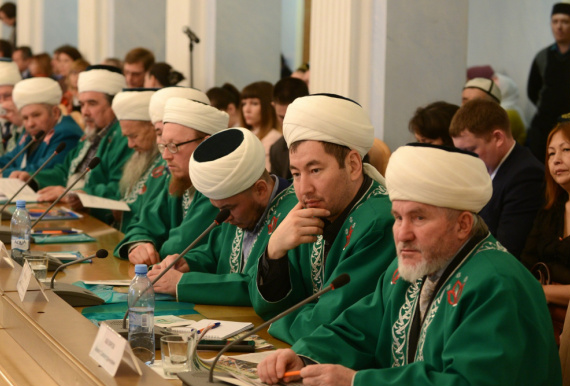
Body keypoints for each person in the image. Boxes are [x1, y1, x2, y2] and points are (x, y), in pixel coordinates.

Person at [257, 143, 562, 386]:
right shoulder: (409, 269)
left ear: (463, 225)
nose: (402, 234)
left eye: (418, 218)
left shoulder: (498, 284)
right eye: (398, 217)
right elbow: (358, 330)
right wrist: (303, 358)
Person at [253, 93, 395, 336]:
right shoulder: (308, 214)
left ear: (353, 165)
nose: (304, 189)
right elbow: (266, 306)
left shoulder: (380, 222)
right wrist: (274, 251)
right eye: (296, 174)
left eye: (315, 170)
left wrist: (275, 324)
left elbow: (332, 322)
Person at [148, 127, 296, 306]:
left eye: (228, 209)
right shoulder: (236, 210)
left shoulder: (293, 215)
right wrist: (188, 263)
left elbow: (261, 286)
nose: (225, 219)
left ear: (260, 190)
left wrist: (183, 283)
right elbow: (213, 254)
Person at [115, 97, 228, 264]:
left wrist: (153, 250)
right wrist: (139, 245)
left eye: (174, 146)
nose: (166, 156)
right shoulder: (179, 181)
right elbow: (144, 224)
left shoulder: (219, 186)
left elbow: (180, 247)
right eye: (164, 146)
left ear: (206, 144)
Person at [11, 66, 130, 223]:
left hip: (98, 219)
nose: (85, 112)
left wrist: (76, 194)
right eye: (82, 104)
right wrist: (33, 179)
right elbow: (65, 172)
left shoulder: (124, 138)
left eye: (92, 104)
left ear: (114, 105)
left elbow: (119, 188)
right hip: (74, 212)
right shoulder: (90, 135)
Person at [450, 99, 545, 258]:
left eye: (471, 150)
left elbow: (507, 249)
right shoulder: (485, 167)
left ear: (498, 138)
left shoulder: (526, 176)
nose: (465, 159)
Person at [522, 121, 570, 345]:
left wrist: (544, 292)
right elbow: (525, 266)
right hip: (544, 320)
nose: (556, 160)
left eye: (566, 149)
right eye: (551, 153)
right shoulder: (549, 212)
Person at [0, 77, 81, 178]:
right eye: (25, 118)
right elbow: (12, 158)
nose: (30, 124)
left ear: (55, 113)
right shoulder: (33, 131)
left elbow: (43, 171)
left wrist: (1, 174)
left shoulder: (66, 133)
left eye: (36, 115)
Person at [108, 88, 164, 232]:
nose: (130, 145)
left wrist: (126, 215)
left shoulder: (167, 163)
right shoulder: (141, 156)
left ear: (153, 127)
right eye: (126, 137)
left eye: (133, 136)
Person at [527, 2, 570, 162]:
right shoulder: (542, 56)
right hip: (543, 126)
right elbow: (532, 90)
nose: (559, 27)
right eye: (555, 21)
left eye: (565, 22)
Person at [461, 77, 526, 145]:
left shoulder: (502, 120)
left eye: (476, 102)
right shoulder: (460, 124)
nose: (468, 107)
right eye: (465, 101)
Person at [269, 76, 309, 179]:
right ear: (273, 106)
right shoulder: (276, 150)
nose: (287, 124)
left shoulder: (325, 142)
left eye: (292, 117)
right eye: (282, 117)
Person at [239, 81, 281, 172]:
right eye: (244, 104)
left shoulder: (273, 138)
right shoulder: (243, 135)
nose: (247, 109)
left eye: (254, 103)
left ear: (268, 106)